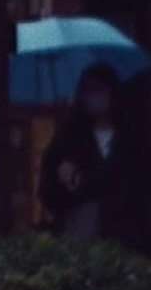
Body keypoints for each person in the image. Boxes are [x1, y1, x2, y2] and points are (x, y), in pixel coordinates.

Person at [37, 67, 128, 244]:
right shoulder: (67, 142)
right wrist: (64, 183)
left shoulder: (130, 140)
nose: (95, 97)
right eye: (89, 91)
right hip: (81, 235)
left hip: (124, 236)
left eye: (100, 90)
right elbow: (48, 193)